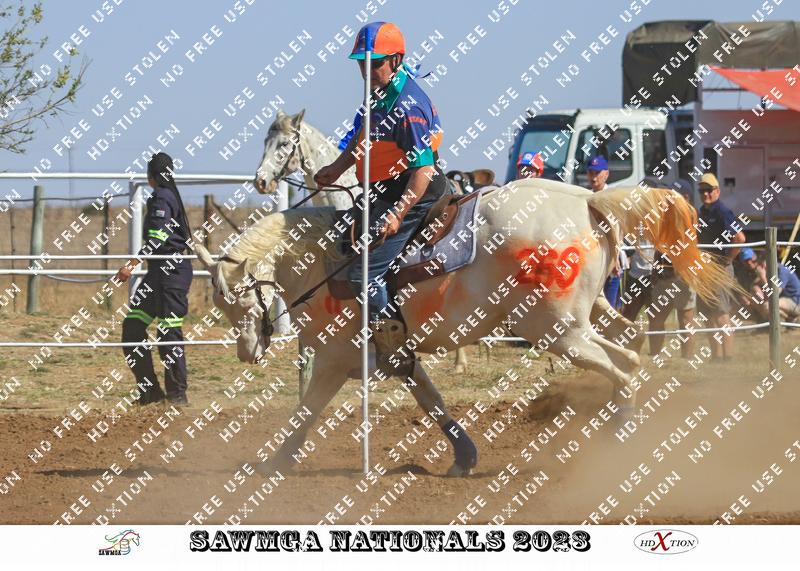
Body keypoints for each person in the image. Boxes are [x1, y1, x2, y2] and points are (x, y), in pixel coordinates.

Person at [313, 22, 447, 378]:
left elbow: (423, 169)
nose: (366, 70)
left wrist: (399, 213)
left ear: (397, 60)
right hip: (385, 189)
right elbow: (362, 138)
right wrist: (336, 168)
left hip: (415, 191)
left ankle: (393, 348)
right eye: (361, 63)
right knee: (341, 244)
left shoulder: (408, 106)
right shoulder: (377, 93)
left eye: (375, 63)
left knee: (364, 275)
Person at [116, 153, 193, 405]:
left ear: (151, 176)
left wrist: (131, 265)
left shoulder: (161, 196)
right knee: (133, 326)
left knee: (168, 332)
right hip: (157, 272)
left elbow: (158, 237)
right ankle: (150, 393)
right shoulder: (168, 195)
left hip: (171, 273)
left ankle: (176, 397)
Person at [695, 172, 745, 360]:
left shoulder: (722, 211)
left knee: (721, 314)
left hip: (719, 269)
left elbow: (739, 238)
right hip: (705, 270)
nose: (705, 193)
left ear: (717, 191)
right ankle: (716, 357)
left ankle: (728, 357)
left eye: (708, 190)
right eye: (702, 190)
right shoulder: (701, 212)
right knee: (707, 315)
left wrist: (727, 260)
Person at [586, 155, 628, 308]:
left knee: (610, 308)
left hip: (611, 259)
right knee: (592, 306)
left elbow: (617, 229)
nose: (594, 177)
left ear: (606, 174)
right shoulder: (586, 197)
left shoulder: (613, 198)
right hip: (593, 258)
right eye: (591, 172)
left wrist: (615, 257)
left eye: (597, 173)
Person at [739, 248, 800, 323]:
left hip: (795, 302)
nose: (760, 266)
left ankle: (788, 320)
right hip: (783, 299)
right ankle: (768, 320)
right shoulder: (769, 271)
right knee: (755, 290)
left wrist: (763, 278)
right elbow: (755, 286)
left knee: (768, 306)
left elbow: (774, 295)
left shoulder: (782, 272)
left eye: (762, 263)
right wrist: (749, 297)